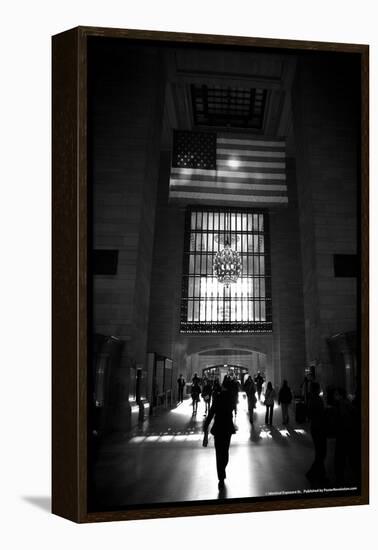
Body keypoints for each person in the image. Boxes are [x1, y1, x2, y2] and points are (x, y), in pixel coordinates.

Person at [203, 377, 236, 489]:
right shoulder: (231, 398)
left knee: (219, 453)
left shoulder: (219, 397)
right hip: (227, 428)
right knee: (225, 452)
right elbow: (232, 407)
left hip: (219, 428)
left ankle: (221, 475)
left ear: (223, 386)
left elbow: (212, 412)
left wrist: (206, 425)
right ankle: (222, 473)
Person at [306, 381, 328, 485]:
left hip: (315, 427)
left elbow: (310, 415)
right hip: (320, 428)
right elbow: (322, 414)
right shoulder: (318, 399)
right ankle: (313, 473)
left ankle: (319, 474)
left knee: (320, 452)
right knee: (321, 452)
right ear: (317, 389)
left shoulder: (311, 399)